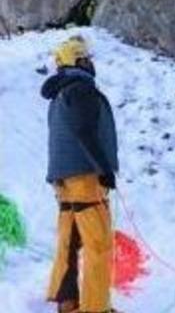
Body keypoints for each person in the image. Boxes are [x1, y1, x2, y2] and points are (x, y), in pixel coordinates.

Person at [41, 36, 119, 313]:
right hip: (85, 178)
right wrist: (104, 169)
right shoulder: (82, 90)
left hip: (63, 181)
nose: (90, 63)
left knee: (69, 243)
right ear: (77, 61)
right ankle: (96, 308)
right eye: (86, 58)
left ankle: (67, 302)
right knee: (98, 245)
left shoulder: (60, 93)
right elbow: (85, 132)